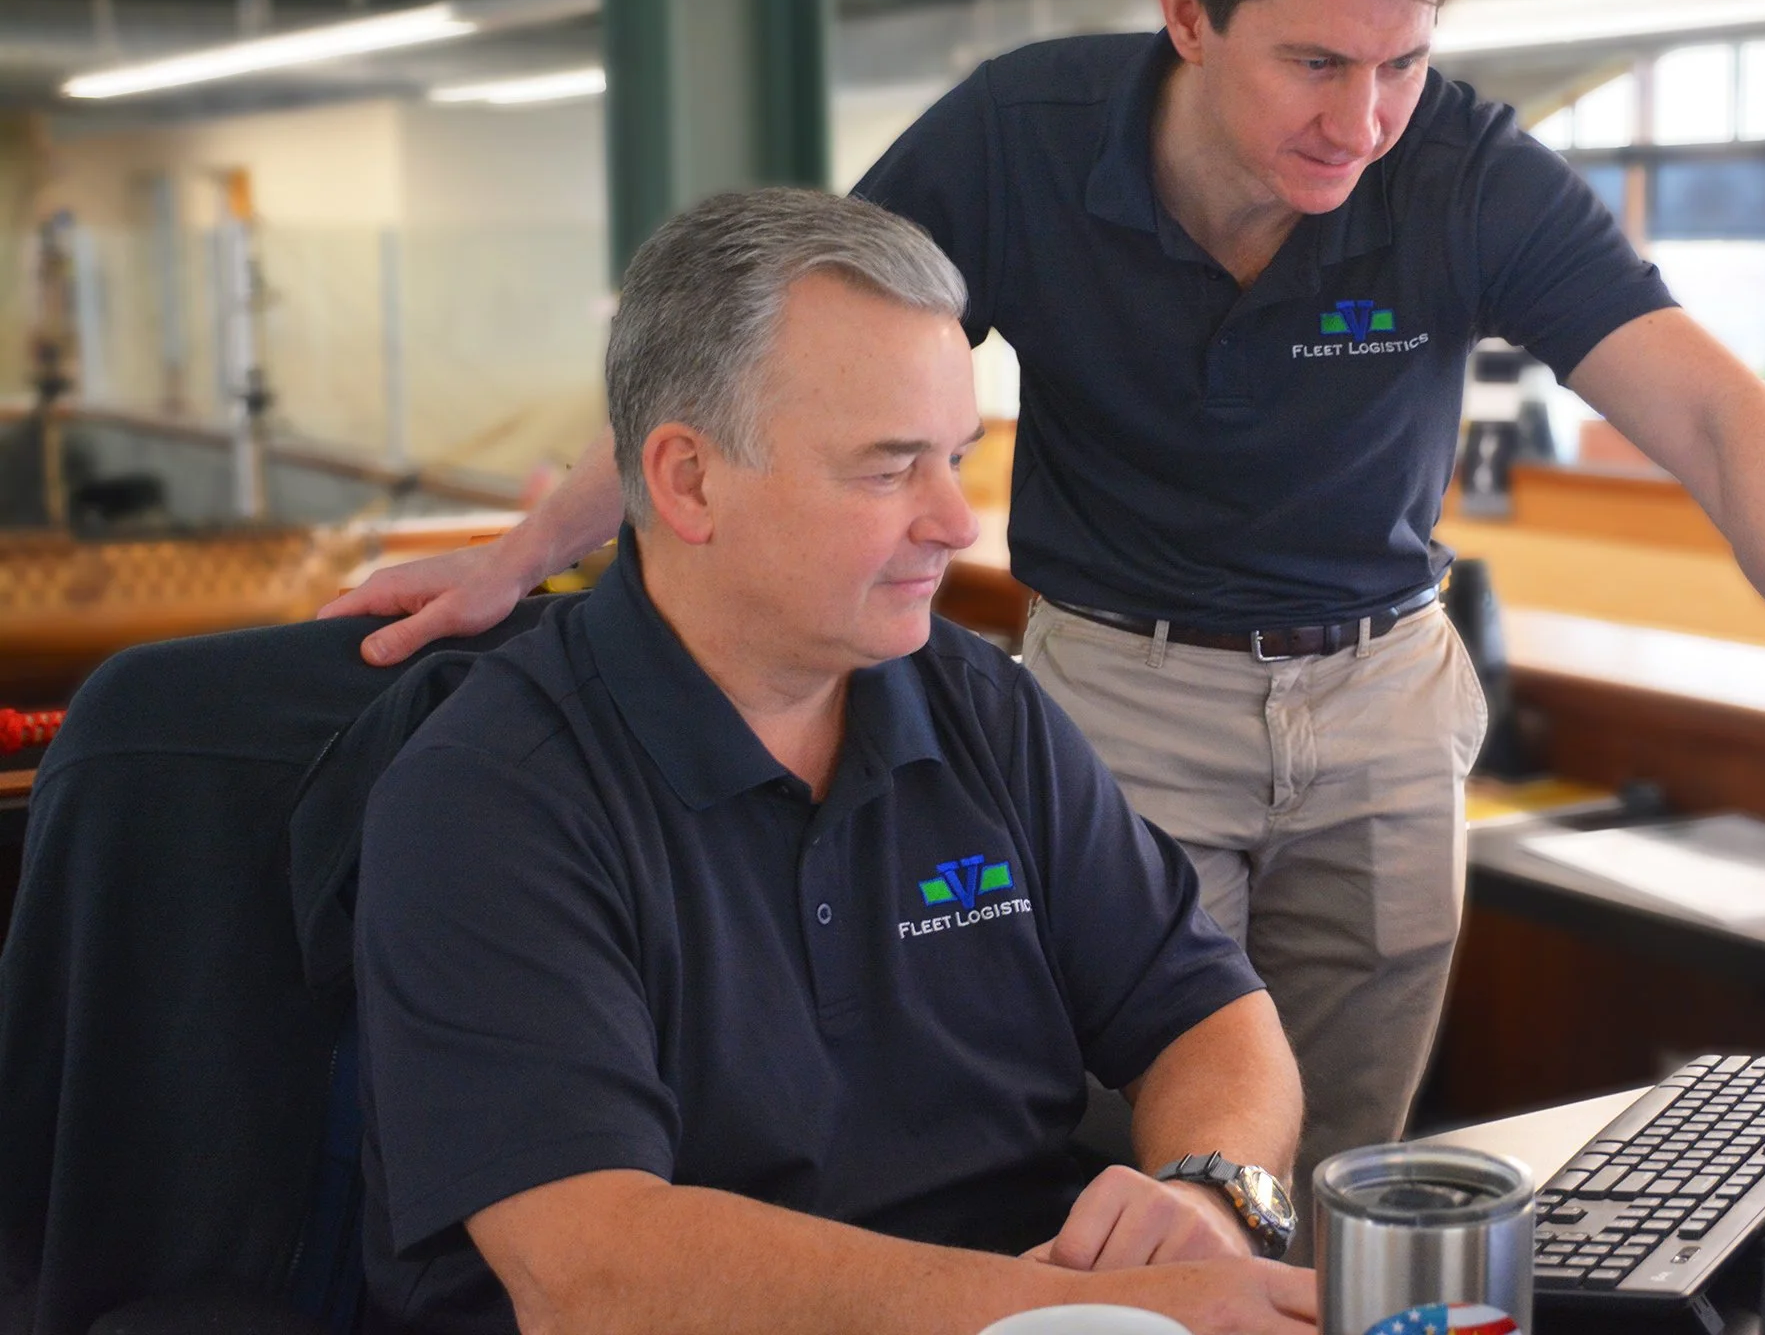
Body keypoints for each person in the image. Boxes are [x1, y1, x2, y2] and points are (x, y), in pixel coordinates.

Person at [328, 0, 1765, 1240]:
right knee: (1079, 1152)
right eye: (1317, 63)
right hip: (1120, 697)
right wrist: (531, 556)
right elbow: (755, 358)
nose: (1366, 121)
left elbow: (1719, 420)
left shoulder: (1463, 171)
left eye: (1404, 64)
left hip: (1385, 698)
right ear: (1186, 10)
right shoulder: (1020, 140)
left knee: (1326, 1176)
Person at [353, 189, 1314, 1334]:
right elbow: (594, 1269)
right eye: (890, 467)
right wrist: (1070, 1310)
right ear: (688, 481)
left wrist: (1213, 1198)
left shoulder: (978, 707)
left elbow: (1208, 1012)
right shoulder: (491, 796)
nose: (958, 522)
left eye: (956, 456)